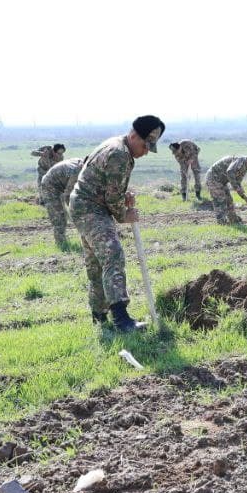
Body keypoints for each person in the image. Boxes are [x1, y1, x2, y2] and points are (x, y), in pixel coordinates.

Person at [69, 117, 164, 332]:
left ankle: (100, 318)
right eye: (145, 145)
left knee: (96, 263)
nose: (146, 151)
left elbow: (108, 186)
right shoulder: (120, 154)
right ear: (134, 136)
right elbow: (112, 198)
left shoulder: (116, 144)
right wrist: (124, 214)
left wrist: (122, 196)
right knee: (113, 255)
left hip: (82, 204)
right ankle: (122, 320)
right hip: (91, 208)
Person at [39, 156, 85, 247]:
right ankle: (61, 244)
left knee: (63, 215)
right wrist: (75, 211)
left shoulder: (82, 163)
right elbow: (68, 194)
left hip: (59, 185)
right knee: (59, 217)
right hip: (50, 186)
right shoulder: (78, 171)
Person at [206, 152, 247, 224]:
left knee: (229, 200)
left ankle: (233, 219)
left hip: (221, 181)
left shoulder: (245, 167)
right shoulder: (241, 160)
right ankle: (221, 222)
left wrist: (244, 197)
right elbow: (230, 172)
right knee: (220, 199)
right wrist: (237, 188)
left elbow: (238, 183)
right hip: (213, 178)